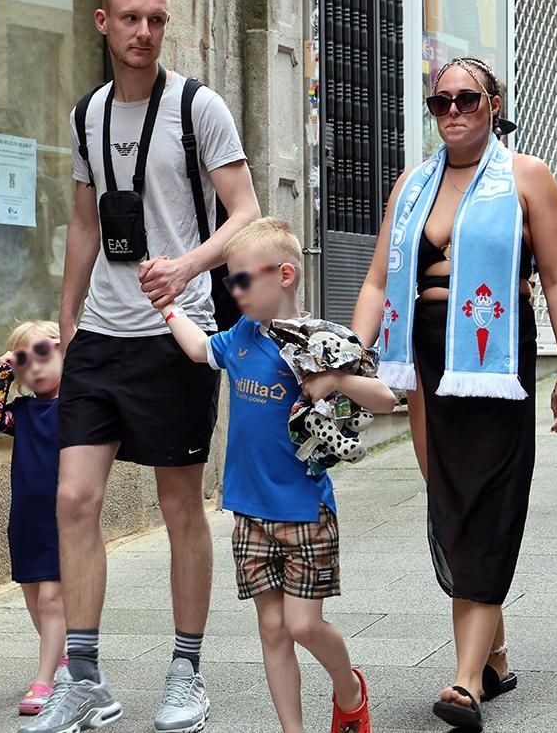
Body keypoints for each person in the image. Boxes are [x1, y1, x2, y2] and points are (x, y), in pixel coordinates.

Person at [29, 0, 260, 733]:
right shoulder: (88, 114)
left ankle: (186, 670)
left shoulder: (200, 108)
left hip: (177, 336)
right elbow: (85, 225)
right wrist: (66, 327)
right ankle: (85, 677)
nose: (145, 33)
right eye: (131, 19)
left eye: (157, 20)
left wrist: (190, 265)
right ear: (103, 22)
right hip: (101, 335)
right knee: (73, 499)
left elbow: (247, 213)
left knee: (178, 507)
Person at [352, 57, 557, 731]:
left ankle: (463, 683)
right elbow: (375, 281)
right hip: (427, 356)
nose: (453, 110)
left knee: (486, 506)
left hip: (493, 354)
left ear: (493, 104)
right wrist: (351, 349)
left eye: (467, 99)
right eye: (441, 101)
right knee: (454, 510)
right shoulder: (413, 183)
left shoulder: (526, 177)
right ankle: (496, 655)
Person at [155, 217, 395, 733]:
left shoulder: (318, 342)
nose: (234, 290)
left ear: (285, 275)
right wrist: (168, 308)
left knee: (302, 624)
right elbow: (200, 349)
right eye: (230, 281)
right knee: (271, 629)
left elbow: (387, 398)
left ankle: (349, 688)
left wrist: (334, 378)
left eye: (243, 279)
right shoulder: (240, 337)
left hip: (304, 511)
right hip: (249, 512)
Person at [0, 321, 68, 717]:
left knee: (52, 598)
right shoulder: (22, 412)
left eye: (43, 354)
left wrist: (69, 343)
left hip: (62, 516)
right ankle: (63, 661)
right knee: (34, 599)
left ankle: (45, 678)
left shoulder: (76, 405)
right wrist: (3, 371)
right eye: (23, 361)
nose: (34, 367)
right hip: (26, 518)